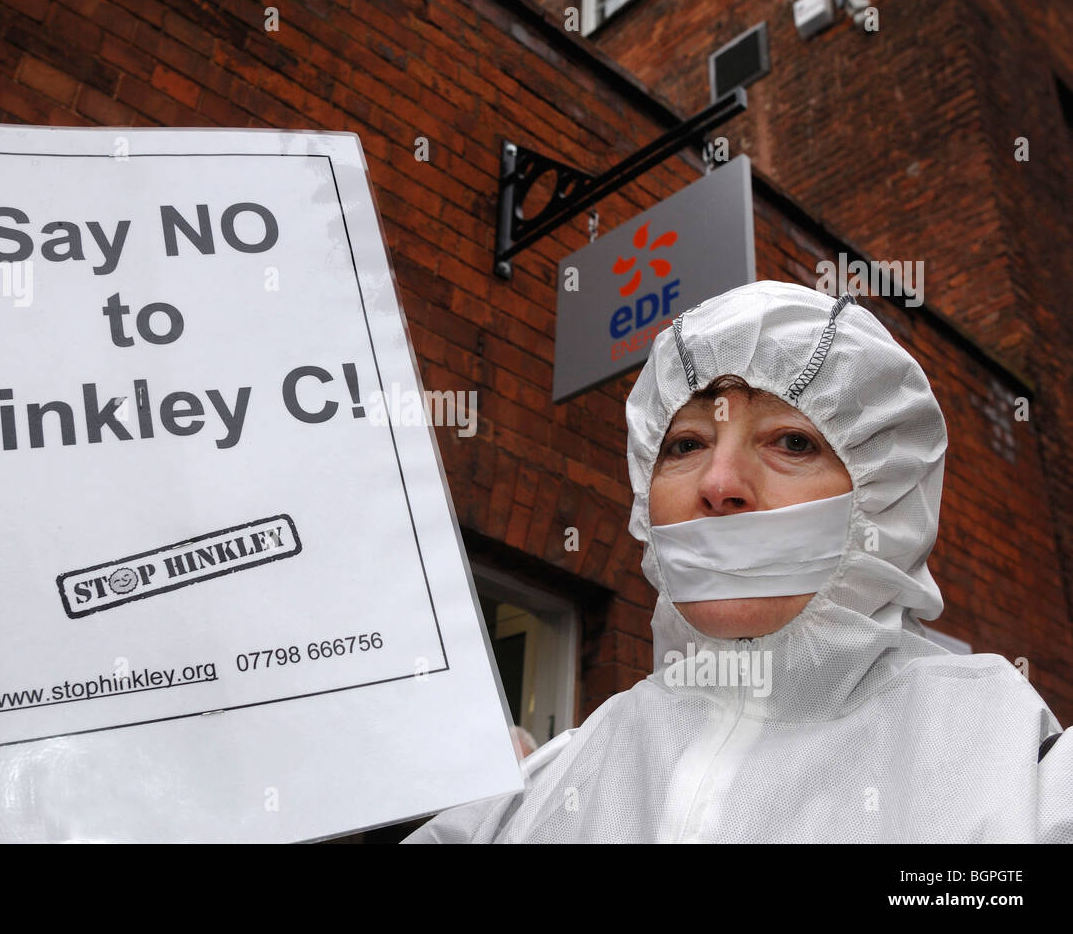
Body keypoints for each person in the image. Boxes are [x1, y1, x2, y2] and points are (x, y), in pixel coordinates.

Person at [403, 279, 1071, 843]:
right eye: (686, 443)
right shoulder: (558, 778)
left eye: (791, 441)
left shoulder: (1001, 755)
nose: (719, 480)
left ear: (883, 498)